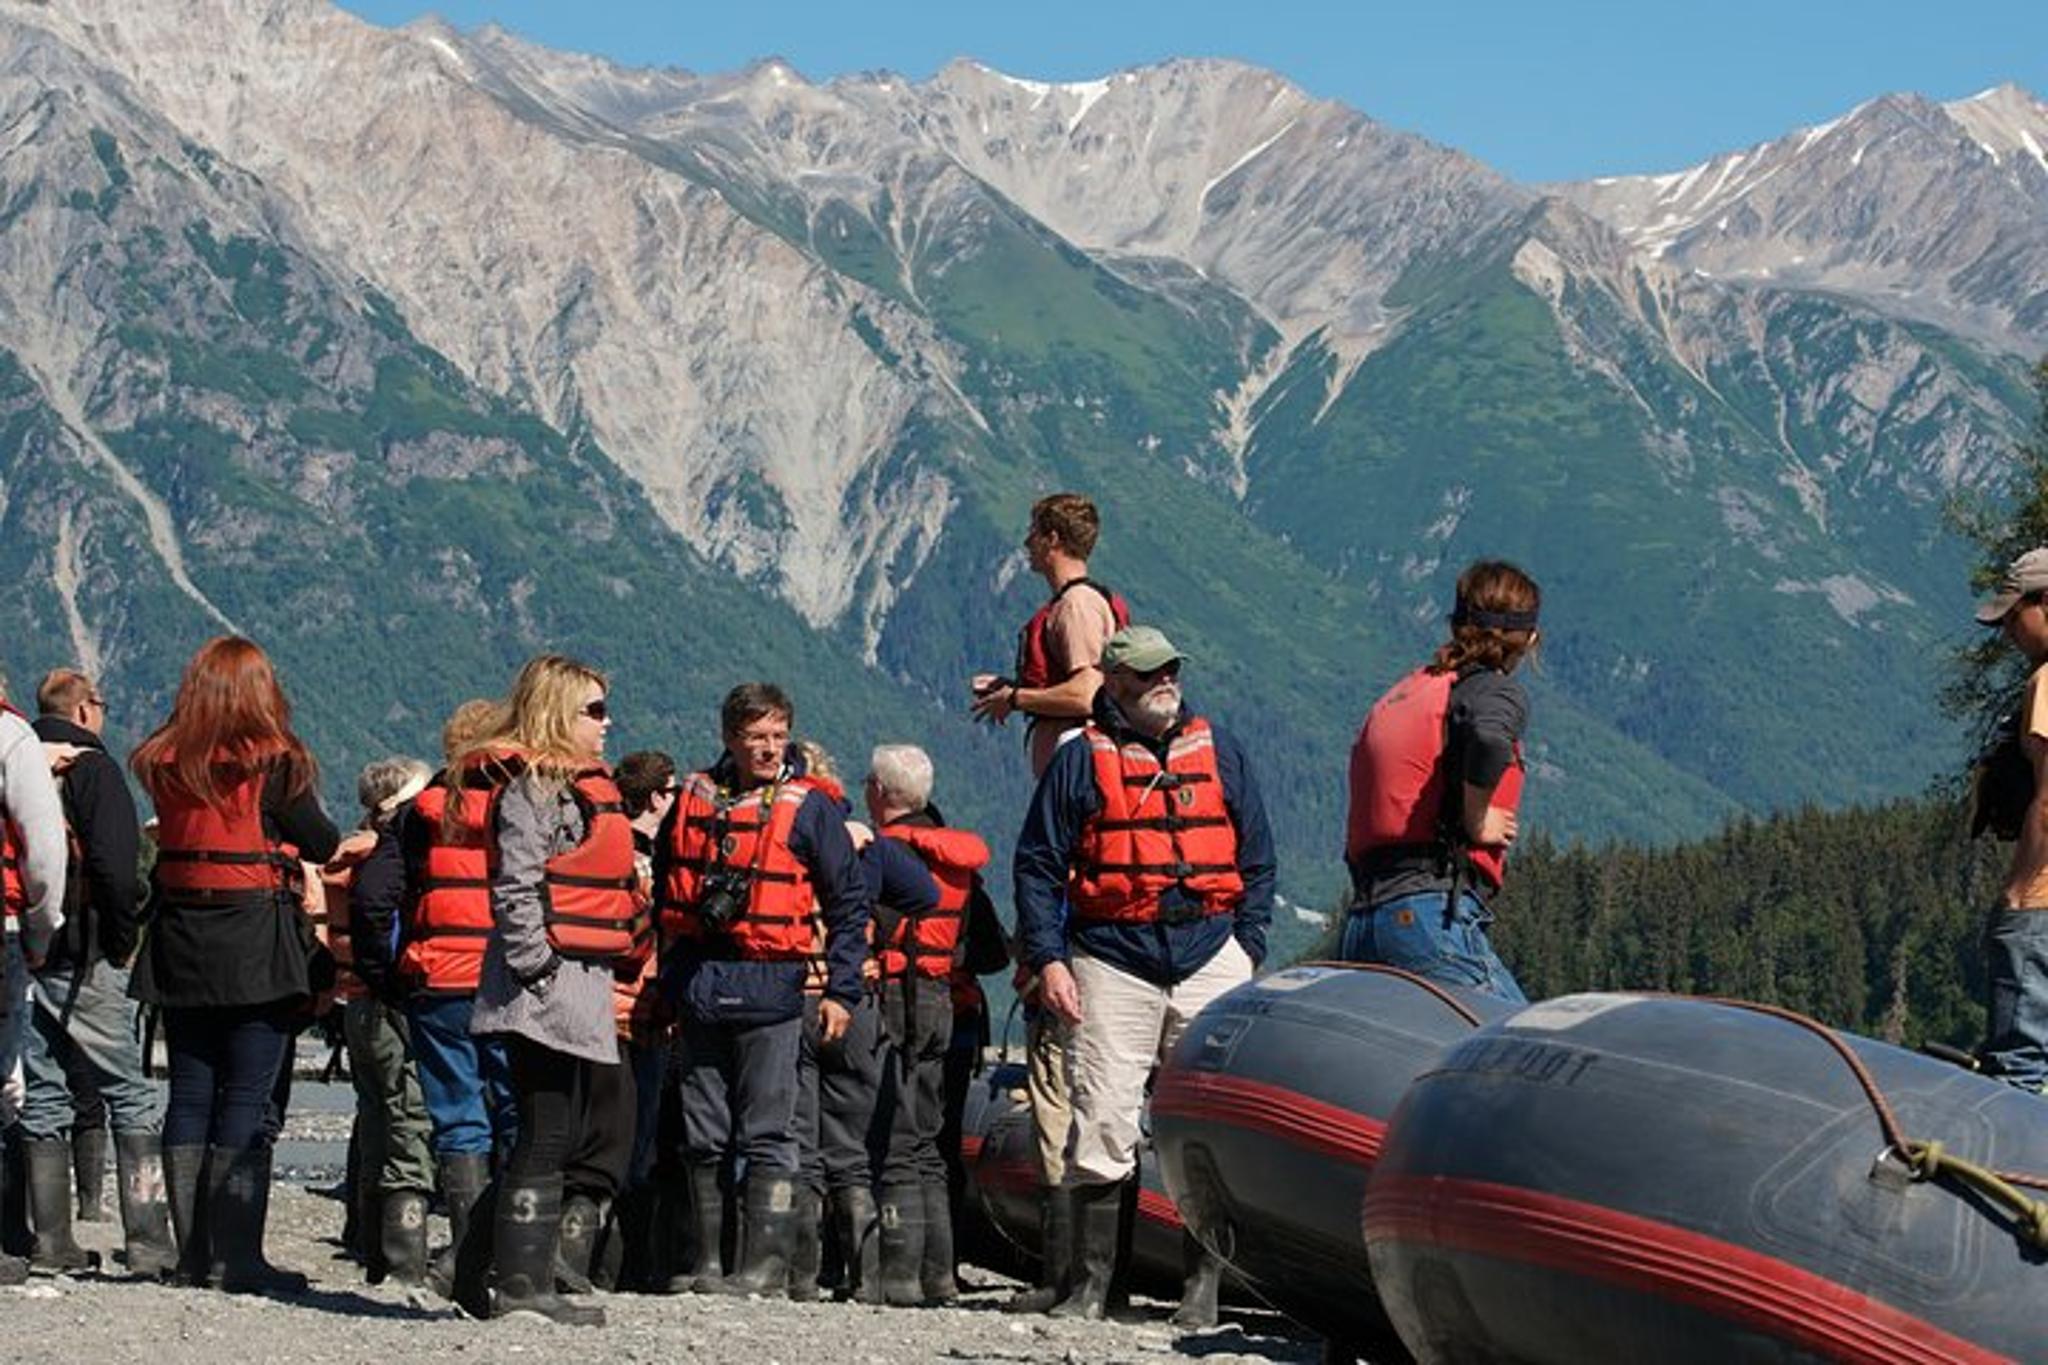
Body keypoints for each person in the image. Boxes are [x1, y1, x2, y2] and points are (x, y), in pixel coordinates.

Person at [1015, 626, 1273, 1326]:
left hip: (1208, 951)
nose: (1165, 681)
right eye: (1149, 674)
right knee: (1102, 1115)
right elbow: (1038, 864)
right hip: (1111, 955)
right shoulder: (1082, 761)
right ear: (1116, 684)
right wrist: (1049, 958)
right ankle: (1098, 1285)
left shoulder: (1219, 751)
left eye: (1171, 670)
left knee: (1201, 1119)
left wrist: (1246, 947)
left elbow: (1257, 854)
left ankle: (1202, 1288)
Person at [128, 636, 339, 1294]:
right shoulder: (273, 763)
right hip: (254, 941)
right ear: (260, 692)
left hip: (181, 940)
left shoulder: (164, 761)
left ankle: (191, 1256)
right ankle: (236, 1256)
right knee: (246, 1092)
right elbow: (321, 841)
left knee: (189, 1093)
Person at [447, 655, 644, 1326]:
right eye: (594, 711)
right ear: (559, 712)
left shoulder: (578, 787)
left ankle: (470, 1272)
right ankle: (524, 1284)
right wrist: (538, 969)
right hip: (544, 988)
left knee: (543, 1129)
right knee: (546, 1130)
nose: (606, 723)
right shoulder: (532, 789)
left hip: (574, 984)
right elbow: (516, 885)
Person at [968, 492, 1128, 1313]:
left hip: (1072, 825)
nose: (1026, 544)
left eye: (1033, 533)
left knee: (1070, 1072)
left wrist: (1017, 700)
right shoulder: (1072, 606)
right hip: (1065, 818)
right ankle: (1066, 1270)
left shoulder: (1076, 606)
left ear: (1054, 539)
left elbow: (1088, 692)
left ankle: (1076, 1275)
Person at [654, 683, 867, 1299]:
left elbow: (848, 905)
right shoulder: (694, 797)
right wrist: (671, 983)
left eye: (778, 736)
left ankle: (765, 1269)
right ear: (730, 738)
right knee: (703, 1131)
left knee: (770, 1130)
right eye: (756, 738)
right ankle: (709, 1263)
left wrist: (841, 993)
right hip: (703, 985)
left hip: (774, 988)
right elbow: (670, 888)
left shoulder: (809, 808)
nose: (769, 749)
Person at [353, 698, 518, 1284]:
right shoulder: (522, 806)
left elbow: (373, 897)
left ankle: (465, 1261)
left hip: (438, 979)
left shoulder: (419, 814)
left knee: (456, 1121)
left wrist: (387, 976)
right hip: (508, 980)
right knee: (517, 1116)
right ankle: (517, 1259)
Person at [17, 670, 173, 1277]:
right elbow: (116, 865)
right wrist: (121, 937)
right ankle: (148, 1240)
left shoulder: (20, 758)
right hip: (85, 950)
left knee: (44, 1092)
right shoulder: (92, 767)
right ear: (84, 709)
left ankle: (50, 1240)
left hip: (27, 950)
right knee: (128, 1092)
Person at [1340, 560, 1540, 1003]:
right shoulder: (1494, 690)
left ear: (1456, 624)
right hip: (1427, 918)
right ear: (1528, 639)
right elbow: (1489, 737)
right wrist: (1478, 820)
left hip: (1366, 925)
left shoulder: (1411, 690)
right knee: (1524, 1051)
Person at [866, 744, 992, 1306]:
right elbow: (990, 948)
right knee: (930, 1145)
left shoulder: (887, 854)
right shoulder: (959, 863)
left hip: (898, 999)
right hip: (946, 999)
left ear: (879, 792)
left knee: (895, 1137)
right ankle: (939, 1273)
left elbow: (870, 926)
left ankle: (896, 1275)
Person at [785, 741, 897, 1305]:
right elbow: (923, 895)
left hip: (795, 998)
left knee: (800, 1143)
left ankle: (801, 1278)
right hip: (856, 999)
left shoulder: (771, 835)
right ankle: (867, 1279)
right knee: (852, 1150)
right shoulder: (864, 845)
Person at [327, 758, 435, 1286]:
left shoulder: (361, 848)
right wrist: (392, 978)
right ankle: (403, 1260)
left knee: (374, 1124)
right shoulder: (393, 848)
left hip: (358, 1006)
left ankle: (371, 1247)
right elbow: (374, 910)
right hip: (388, 1004)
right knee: (408, 1122)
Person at [0, 666, 68, 1286]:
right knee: (3, 1078)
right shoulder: (10, 737)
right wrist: (43, 931)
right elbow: (44, 849)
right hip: (2, 924)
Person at [1973, 549, 2048, 1092]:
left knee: (2019, 1074)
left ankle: (2019, 1174)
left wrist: (2020, 891)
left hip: (2044, 902)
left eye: (2013, 616)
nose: (2007, 633)